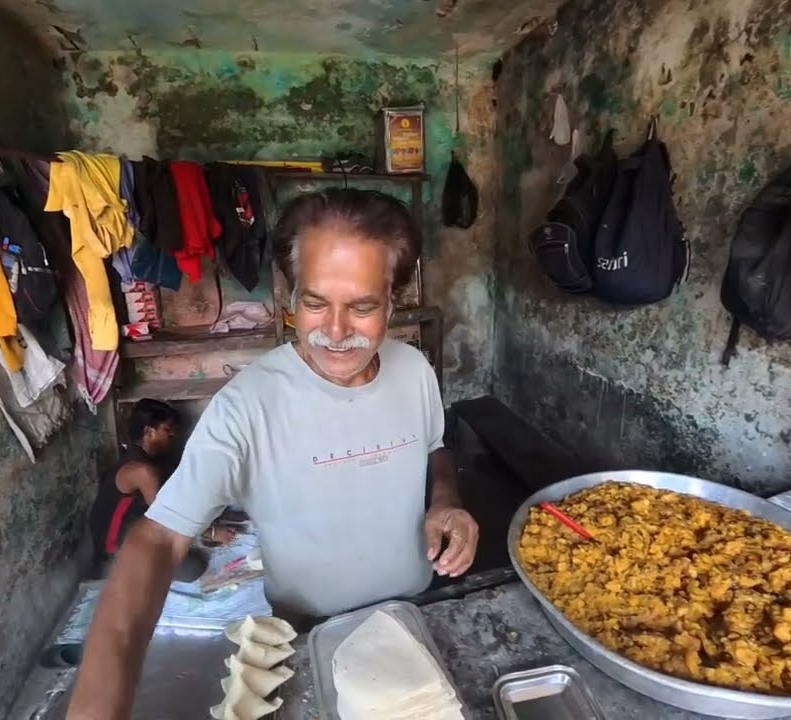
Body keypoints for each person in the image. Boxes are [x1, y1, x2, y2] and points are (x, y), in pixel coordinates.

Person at [66, 188, 480, 719]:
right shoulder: (245, 407)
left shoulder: (415, 370)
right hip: (307, 637)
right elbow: (159, 539)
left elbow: (434, 448)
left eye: (362, 306)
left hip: (418, 614)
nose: (335, 332)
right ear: (290, 298)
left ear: (392, 302)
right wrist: (98, 706)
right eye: (315, 303)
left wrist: (445, 501)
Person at [86, 399, 230, 579]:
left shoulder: (144, 460)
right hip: (114, 553)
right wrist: (212, 532)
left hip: (133, 533)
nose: (172, 437)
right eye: (167, 431)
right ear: (149, 431)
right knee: (193, 568)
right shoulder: (142, 471)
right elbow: (168, 517)